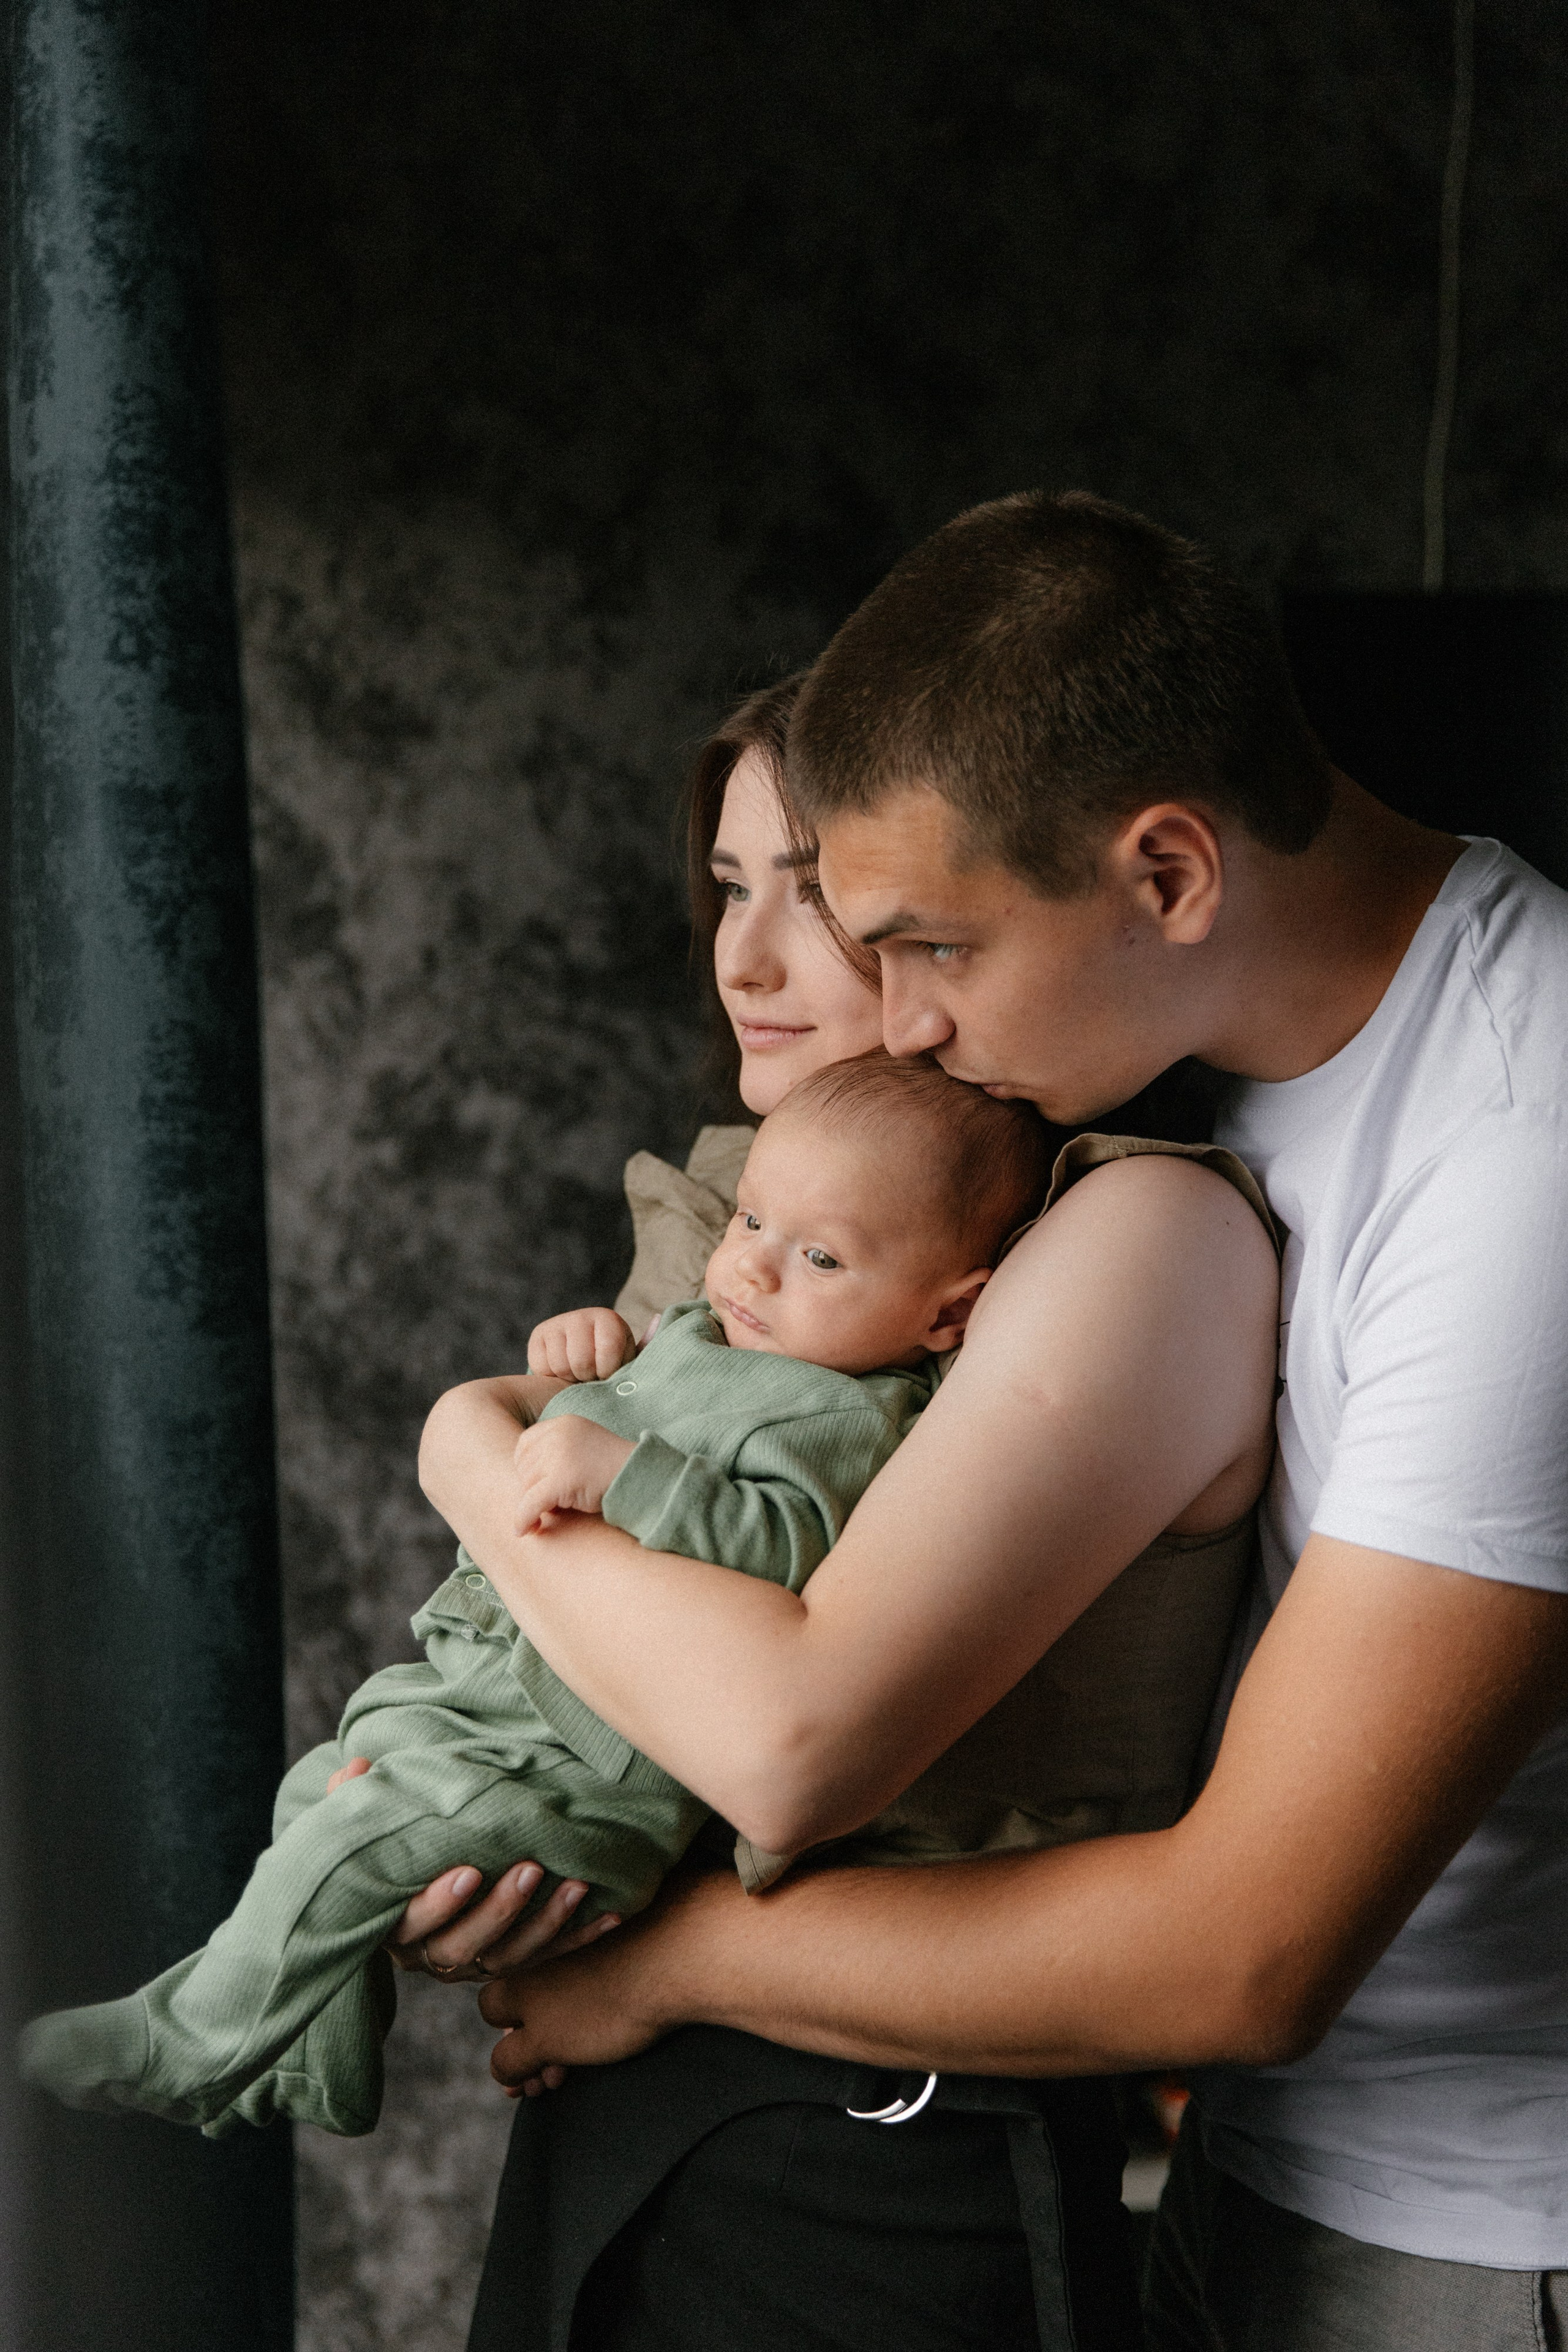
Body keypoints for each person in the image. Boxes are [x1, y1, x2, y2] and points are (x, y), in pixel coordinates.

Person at [428, 491, 1568, 2351]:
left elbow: (1250, 1953)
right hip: (1257, 2177)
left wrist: (683, 1962)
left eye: (931, 947)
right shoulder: (1194, 1050)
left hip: (1480, 2239)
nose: (900, 1022)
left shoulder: (1525, 1157)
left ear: (1168, 873)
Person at [399, 649, 1282, 2346]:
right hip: (655, 2096)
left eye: (812, 896)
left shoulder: (1123, 1234)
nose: (742, 959)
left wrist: (462, 1444)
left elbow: (783, 1746)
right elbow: (578, 1643)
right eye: (727, 887)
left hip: (888, 2136)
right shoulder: (759, 1237)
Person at [20, 1053, 1054, 2139]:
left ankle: (188, 2044)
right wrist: (587, 1356)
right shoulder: (710, 1330)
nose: (753, 1269)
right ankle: (319, 2064)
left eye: (822, 1256)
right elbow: (611, 1400)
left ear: (948, 1315)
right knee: (316, 1793)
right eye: (750, 1220)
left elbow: (785, 1541)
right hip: (485, 1703)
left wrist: (625, 1474)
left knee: (354, 1837)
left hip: (584, 1777)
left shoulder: (848, 1420)